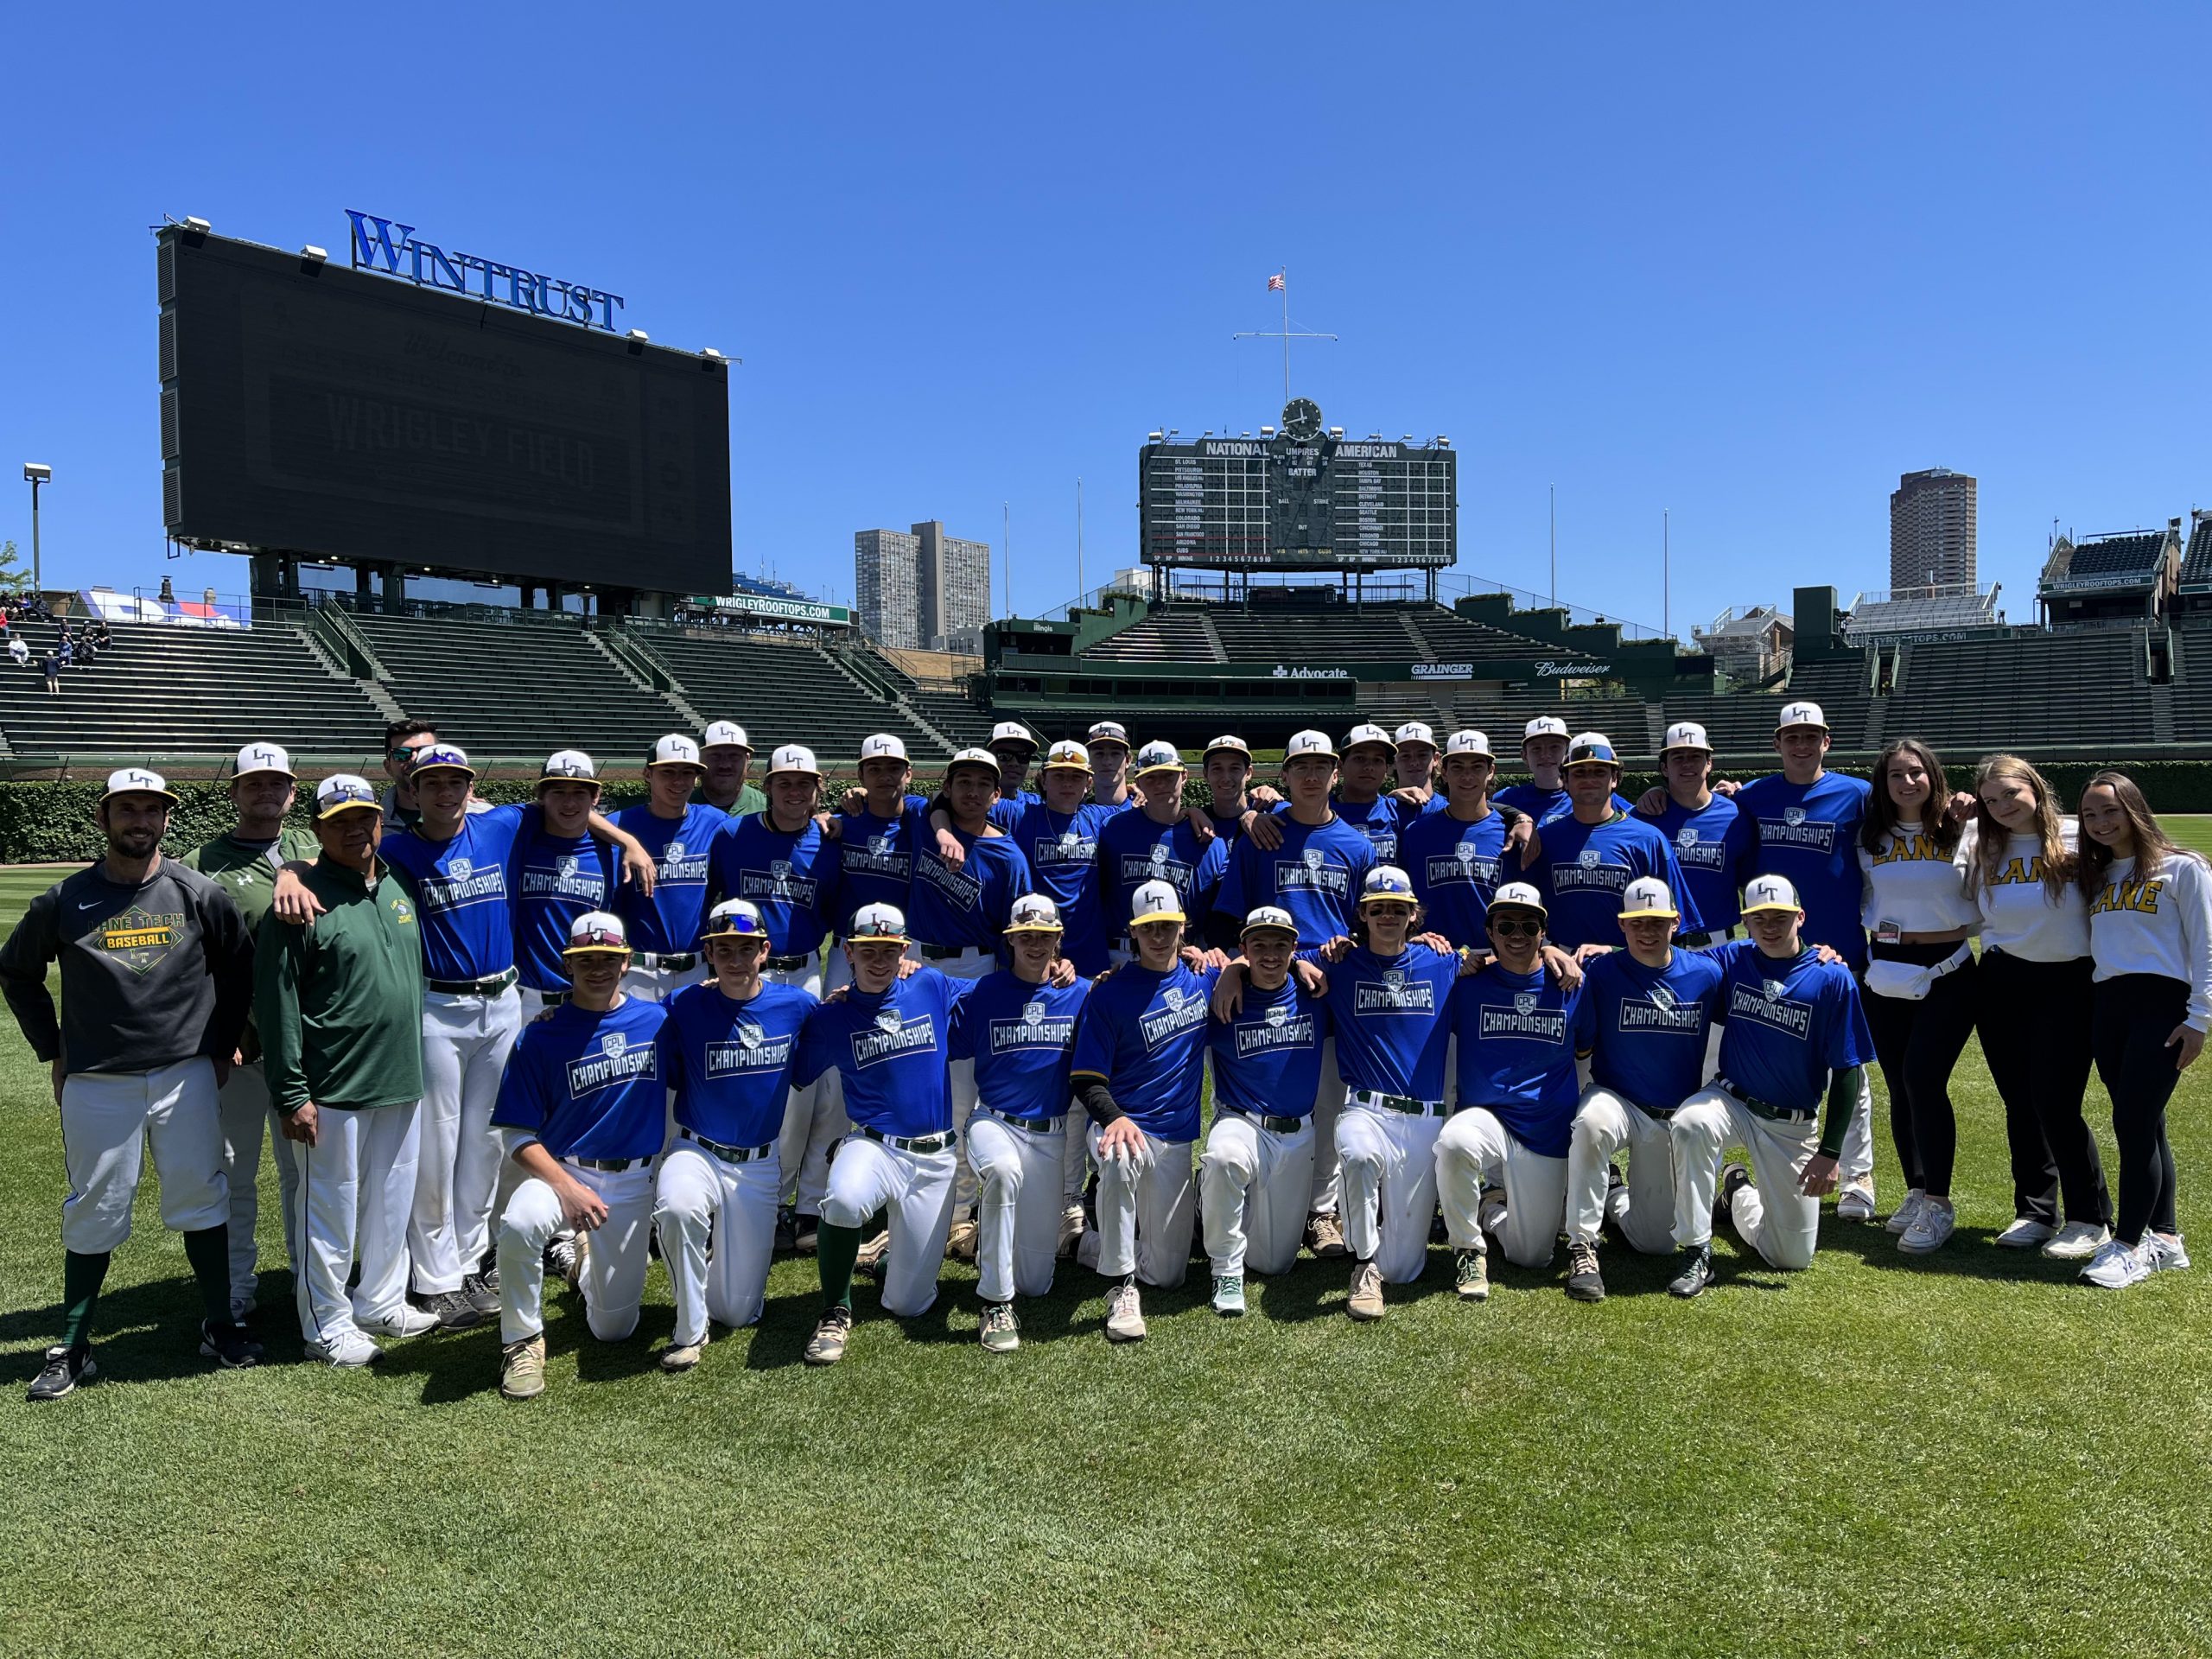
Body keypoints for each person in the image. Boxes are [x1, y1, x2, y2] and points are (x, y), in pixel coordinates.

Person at [362, 743, 647, 1330]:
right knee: (437, 1143)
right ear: (409, 790)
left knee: (488, 1141)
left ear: (470, 787)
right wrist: (290, 871)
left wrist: (628, 841)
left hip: (500, 1004)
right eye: (430, 782)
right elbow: (337, 861)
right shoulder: (398, 849)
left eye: (455, 781)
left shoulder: (499, 824)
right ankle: (437, 1278)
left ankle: (472, 1260)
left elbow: (571, 803)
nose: (445, 792)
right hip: (438, 1004)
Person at [2, 768, 257, 1400]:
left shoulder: (198, 892)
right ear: (103, 818)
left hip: (185, 1073)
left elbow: (239, 967)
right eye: (127, 809)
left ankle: (219, 1324)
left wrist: (224, 1042)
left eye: (152, 809)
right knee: (96, 1205)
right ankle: (74, 1343)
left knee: (201, 1195)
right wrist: (53, 1049)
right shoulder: (64, 900)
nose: (140, 820)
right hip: (98, 1079)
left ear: (167, 819)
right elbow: (16, 971)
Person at [257, 774, 435, 1364]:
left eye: (364, 817)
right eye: (339, 822)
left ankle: (380, 1300)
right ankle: (325, 1325)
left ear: (380, 821)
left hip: (400, 1078)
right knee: (326, 1212)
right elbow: (277, 1003)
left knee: (391, 1200)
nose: (356, 829)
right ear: (317, 830)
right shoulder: (298, 900)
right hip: (333, 1085)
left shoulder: (396, 882)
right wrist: (290, 1094)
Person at [1698, 700, 1879, 1219]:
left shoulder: (1859, 794)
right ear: (1777, 745)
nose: (1801, 745)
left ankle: (1857, 1173)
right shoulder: (1754, 796)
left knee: (1847, 1065)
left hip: (1835, 952)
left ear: (1827, 741)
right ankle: (1739, 1167)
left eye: (1811, 736)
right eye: (1791, 737)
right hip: (1770, 949)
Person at [491, 912, 670, 1402]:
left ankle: (582, 1263)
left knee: (614, 1329)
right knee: (522, 1222)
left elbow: (719, 1010)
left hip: (632, 1182)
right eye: (585, 959)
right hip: (562, 1171)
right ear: (567, 964)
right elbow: (517, 1137)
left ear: (627, 962)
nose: (597, 968)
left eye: (608, 959)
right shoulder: (541, 1033)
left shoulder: (659, 1022)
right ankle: (522, 1341)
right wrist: (568, 1189)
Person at [1667, 874, 1874, 1296]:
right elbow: (1670, 963)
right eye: (1758, 918)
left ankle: (1737, 1190)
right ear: (1746, 921)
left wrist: (1831, 1153)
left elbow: (1849, 1070)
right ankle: (1696, 1248)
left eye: (1779, 916)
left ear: (1801, 917)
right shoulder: (1734, 958)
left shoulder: (1832, 976)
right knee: (1690, 1122)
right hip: (1732, 1099)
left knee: (1790, 1258)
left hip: (1791, 1122)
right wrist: (1606, 953)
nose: (1769, 926)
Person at [1217, 728, 1377, 1259]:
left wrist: (1345, 943)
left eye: (1321, 767)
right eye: (1300, 767)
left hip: (1332, 984)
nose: (1311, 776)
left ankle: (1321, 1211)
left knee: (1329, 1099)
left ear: (1336, 774)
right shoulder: (1262, 834)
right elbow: (1232, 917)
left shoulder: (1357, 845)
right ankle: (1237, 1195)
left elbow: (1369, 921)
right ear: (1283, 776)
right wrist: (1237, 964)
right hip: (1273, 980)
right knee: (1267, 1088)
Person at [180, 741, 321, 1318]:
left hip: (307, 1045)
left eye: (276, 783)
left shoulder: (319, 847)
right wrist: (219, 1029)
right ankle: (236, 1290)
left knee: (304, 1177)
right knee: (233, 1174)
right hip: (237, 1046)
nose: (265, 793)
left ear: (293, 792)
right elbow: (185, 958)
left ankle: (308, 1284)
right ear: (234, 791)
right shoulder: (200, 861)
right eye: (253, 784)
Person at [792, 903, 968, 1366]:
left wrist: (1059, 969)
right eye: (867, 949)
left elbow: (1000, 995)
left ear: (904, 950)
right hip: (873, 1144)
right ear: (847, 951)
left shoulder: (929, 984)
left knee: (908, 1303)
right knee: (845, 1200)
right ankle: (835, 1308)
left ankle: (880, 1257)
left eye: (889, 949)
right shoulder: (832, 1018)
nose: (878, 959)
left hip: (935, 1158)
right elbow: (790, 1066)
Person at [653, 900, 821, 1368]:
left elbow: (849, 1016)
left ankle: (705, 1273)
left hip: (759, 1164)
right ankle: (688, 1330)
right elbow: (624, 1022)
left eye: (745, 949)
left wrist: (903, 973)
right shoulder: (685, 1003)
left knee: (739, 1312)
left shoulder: (797, 1003)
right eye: (721, 949)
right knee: (678, 1207)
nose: (733, 959)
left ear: (764, 951)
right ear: (707, 954)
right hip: (697, 1149)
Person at [1955, 754, 2111, 1258]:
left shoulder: (2075, 834)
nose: (2001, 806)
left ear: (2035, 788)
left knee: (2055, 1102)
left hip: (2070, 980)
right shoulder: (1981, 843)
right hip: (2002, 979)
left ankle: (2091, 1217)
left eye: (2011, 794)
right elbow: (1956, 899)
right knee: (2019, 1102)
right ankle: (2036, 1211)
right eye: (1991, 799)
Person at [1301, 867, 1463, 1320]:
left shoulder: (1443, 961)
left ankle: (1382, 1261)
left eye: (1398, 909)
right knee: (1357, 1155)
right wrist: (1253, 967)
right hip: (1366, 1109)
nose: (1387, 916)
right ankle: (1362, 1266)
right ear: (1363, 914)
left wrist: (1551, 948)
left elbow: (1502, 957)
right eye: (1378, 909)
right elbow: (1272, 955)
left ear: (1414, 916)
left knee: (1405, 1269)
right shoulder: (1340, 959)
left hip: (1425, 1118)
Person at [1068, 878, 1221, 1341]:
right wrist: (1114, 1117)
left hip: (1175, 1139)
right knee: (1116, 1159)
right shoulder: (1110, 992)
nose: (1158, 936)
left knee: (1170, 1273)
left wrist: (1225, 966)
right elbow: (1086, 1077)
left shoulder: (1203, 979)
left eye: (1167, 926)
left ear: (1182, 928)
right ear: (1133, 933)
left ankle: (1081, 1244)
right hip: (1124, 1124)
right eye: (1148, 928)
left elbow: (1253, 962)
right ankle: (1120, 1288)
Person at [1559, 877, 1725, 1301]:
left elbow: (1758, 960)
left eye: (1657, 922)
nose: (1647, 932)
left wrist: (1820, 953)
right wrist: (1547, 948)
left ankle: (1615, 1193)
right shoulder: (1601, 970)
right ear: (1621, 925)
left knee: (1654, 1243)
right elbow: (1549, 964)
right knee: (1591, 1123)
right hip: (1616, 1098)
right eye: (1636, 924)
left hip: (1671, 1114)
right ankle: (1582, 1245)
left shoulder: (1706, 974)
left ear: (1676, 922)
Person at [2075, 770, 2209, 1289]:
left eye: (2110, 810)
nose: (2101, 822)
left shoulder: (2183, 868)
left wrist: (2198, 1018)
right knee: (2145, 1122)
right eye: (2089, 814)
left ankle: (2128, 1243)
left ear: (2134, 808)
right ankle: (2168, 1238)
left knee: (2133, 1124)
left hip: (2162, 1006)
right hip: (2109, 1006)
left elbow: (2207, 945)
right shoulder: (2098, 875)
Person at [946, 893, 1091, 1351]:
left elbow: (1121, 1001)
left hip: (1050, 1136)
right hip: (994, 1122)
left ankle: (976, 1247)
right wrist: (907, 971)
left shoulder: (1080, 992)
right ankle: (994, 1302)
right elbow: (923, 1004)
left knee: (1036, 1282)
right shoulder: (983, 992)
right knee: (1004, 1174)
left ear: (1058, 940)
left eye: (1044, 937)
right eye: (1025, 936)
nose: (1034, 944)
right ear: (1010, 940)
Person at [1437, 882, 1589, 1303]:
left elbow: (1585, 1048)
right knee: (1453, 1141)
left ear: (1544, 932)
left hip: (1546, 1130)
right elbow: (1405, 961)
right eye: (1506, 926)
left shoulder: (1572, 984)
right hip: (1487, 1117)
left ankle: (1490, 1208)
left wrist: (1561, 957)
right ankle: (1468, 1249)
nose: (1516, 934)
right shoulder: (1465, 983)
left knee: (1532, 1256)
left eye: (1528, 925)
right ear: (1490, 932)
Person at [1856, 738, 1979, 1253]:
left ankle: (1939, 1203)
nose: (1908, 782)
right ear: (1882, 784)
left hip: (1948, 966)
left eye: (1917, 773)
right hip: (1884, 966)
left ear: (1934, 776)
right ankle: (1915, 1188)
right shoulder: (1867, 835)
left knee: (1923, 1078)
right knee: (1899, 1086)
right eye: (1896, 775)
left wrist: (1976, 807)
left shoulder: (1963, 828)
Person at [1198, 906, 1332, 1314]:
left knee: (1274, 1263)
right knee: (1223, 1157)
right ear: (1244, 948)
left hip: (1297, 1133)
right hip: (1242, 1121)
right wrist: (1229, 971)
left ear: (1296, 947)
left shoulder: (1317, 991)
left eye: (1280, 944)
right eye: (1259, 945)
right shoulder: (1219, 990)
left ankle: (1211, 1205)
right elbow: (1170, 966)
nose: (1270, 955)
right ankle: (1225, 1268)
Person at [1520, 733, 1702, 952]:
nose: (1589, 779)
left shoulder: (1648, 839)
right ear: (1565, 780)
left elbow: (1676, 923)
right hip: (1562, 964)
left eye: (1599, 772)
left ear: (1615, 778)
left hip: (1632, 965)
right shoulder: (1546, 839)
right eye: (1579, 772)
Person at [708, 743, 840, 996]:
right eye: (784, 783)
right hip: (748, 969)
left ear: (817, 788)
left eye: (804, 784)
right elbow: (711, 898)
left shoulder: (828, 843)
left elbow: (829, 910)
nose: (794, 792)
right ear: (767, 787)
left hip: (807, 971)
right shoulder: (732, 835)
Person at [613, 734, 733, 1001]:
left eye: (687, 773)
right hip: (639, 971)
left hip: (698, 968)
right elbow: (579, 816)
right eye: (668, 772)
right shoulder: (619, 823)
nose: (679, 782)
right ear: (647, 773)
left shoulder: (714, 822)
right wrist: (627, 839)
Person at [510, 751, 620, 1020]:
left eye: (580, 793)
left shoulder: (613, 854)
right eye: (558, 792)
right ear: (541, 796)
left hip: (587, 998)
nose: (569, 802)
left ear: (595, 797)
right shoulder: (516, 844)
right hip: (521, 999)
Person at [907, 748, 1033, 979]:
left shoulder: (1009, 858)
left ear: (997, 795)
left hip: (973, 965)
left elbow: (1015, 929)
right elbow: (884, 799)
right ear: (947, 788)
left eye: (984, 784)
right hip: (914, 958)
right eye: (964, 782)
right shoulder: (922, 819)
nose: (973, 792)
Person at [1099, 742, 1230, 958]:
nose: (1160, 784)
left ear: (1184, 776)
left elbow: (1219, 915)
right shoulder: (1112, 828)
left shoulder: (1210, 843)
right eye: (1151, 777)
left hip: (1183, 955)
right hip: (1121, 954)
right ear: (1138, 781)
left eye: (1168, 776)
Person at [1633, 721, 1756, 950]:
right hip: (1658, 946)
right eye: (1677, 757)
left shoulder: (1736, 815)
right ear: (1664, 768)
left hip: (1719, 946)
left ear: (1709, 763)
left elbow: (1749, 885)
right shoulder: (1643, 816)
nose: (1687, 764)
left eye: (1696, 756)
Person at [825, 732, 930, 996]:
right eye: (874, 769)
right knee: (837, 1017)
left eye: (894, 768)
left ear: (908, 773)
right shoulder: (842, 823)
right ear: (860, 776)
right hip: (847, 946)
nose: (885, 776)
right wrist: (821, 815)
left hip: (901, 945)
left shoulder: (919, 823)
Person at [1401, 729, 1516, 950]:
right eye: (1457, 767)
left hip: (1495, 960)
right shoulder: (1416, 833)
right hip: (1433, 954)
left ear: (1491, 771)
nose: (1467, 776)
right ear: (1443, 772)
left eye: (1477, 767)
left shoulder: (1510, 833)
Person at [1494, 715, 1633, 823]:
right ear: (1524, 756)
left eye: (1555, 747)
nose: (1545, 755)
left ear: (1567, 754)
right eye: (1536, 748)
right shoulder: (1507, 798)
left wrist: (1653, 795)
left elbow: (1640, 818)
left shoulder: (1595, 795)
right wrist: (1518, 815)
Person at [695, 721, 766, 817]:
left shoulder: (767, 810)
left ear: (747, 759)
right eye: (715, 756)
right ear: (699, 759)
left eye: (734, 756)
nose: (725, 765)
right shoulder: (680, 808)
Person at [986, 721, 1042, 830]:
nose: (1014, 763)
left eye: (1023, 756)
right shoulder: (968, 803)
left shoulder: (1037, 804)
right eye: (1004, 755)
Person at [1084, 720, 1141, 812]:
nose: (1107, 761)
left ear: (1128, 760)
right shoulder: (1076, 814)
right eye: (1099, 753)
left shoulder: (1147, 808)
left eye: (1115, 753)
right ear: (1088, 762)